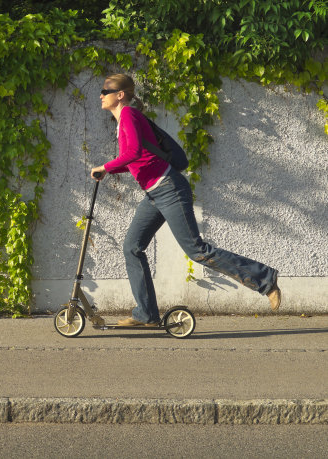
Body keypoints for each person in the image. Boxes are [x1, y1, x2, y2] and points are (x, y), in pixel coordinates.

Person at [90, 73, 281, 326]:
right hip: (155, 193)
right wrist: (109, 169)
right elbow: (138, 159)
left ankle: (265, 280)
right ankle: (146, 314)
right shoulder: (124, 119)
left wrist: (105, 165)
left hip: (169, 188)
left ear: (120, 95)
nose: (101, 96)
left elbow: (133, 152)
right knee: (132, 248)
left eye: (106, 91)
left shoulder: (128, 114)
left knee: (197, 250)